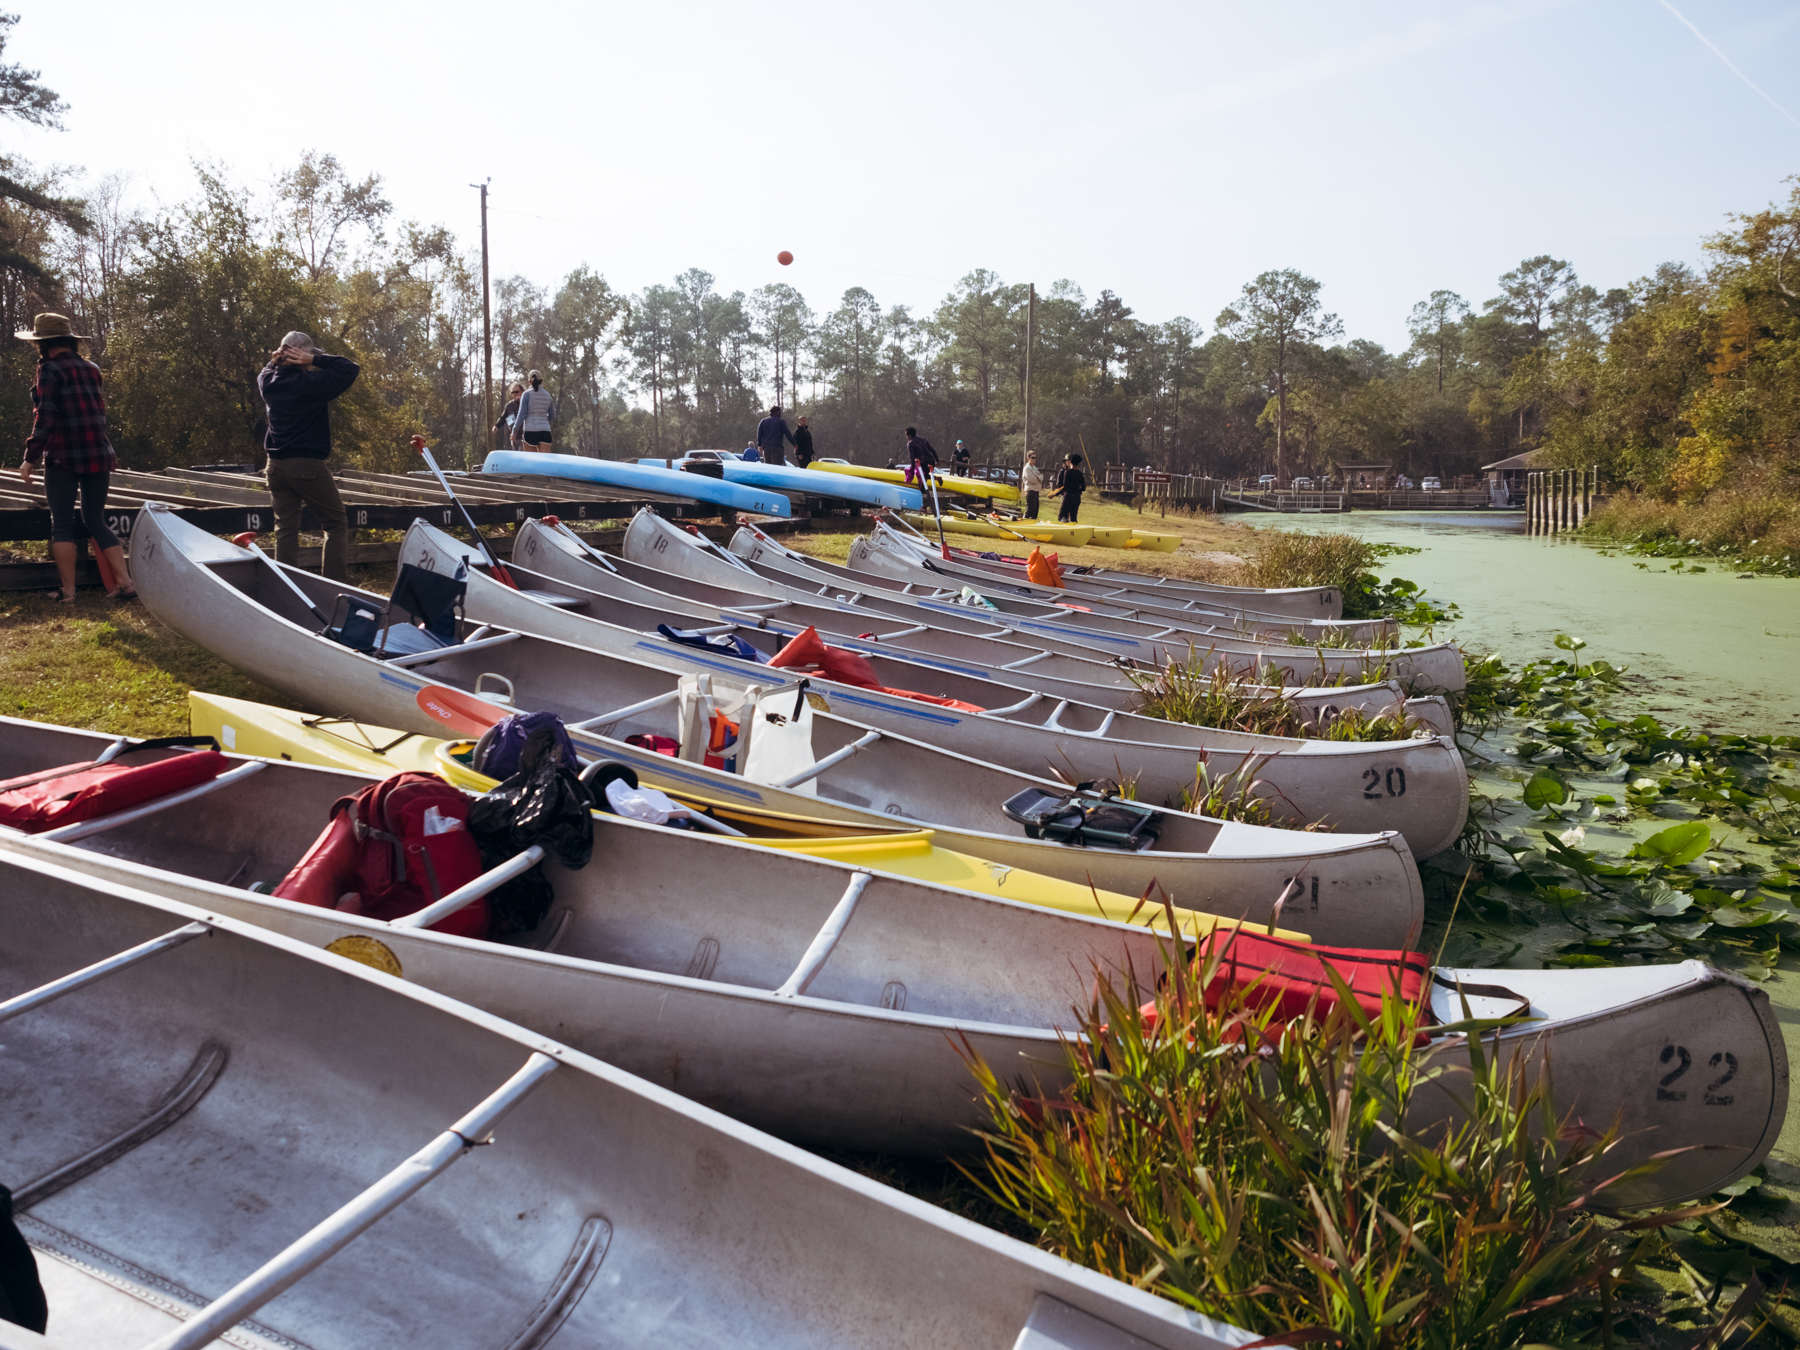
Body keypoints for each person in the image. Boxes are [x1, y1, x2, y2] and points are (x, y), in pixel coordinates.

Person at [16, 312, 135, 603]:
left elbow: (45, 416)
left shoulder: (49, 370)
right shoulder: (91, 367)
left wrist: (29, 457)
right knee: (96, 519)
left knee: (62, 523)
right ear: (69, 340)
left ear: (42, 344)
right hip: (99, 452)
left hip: (63, 456)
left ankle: (68, 592)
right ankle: (125, 582)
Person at [258, 330, 360, 583]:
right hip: (306, 465)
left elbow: (266, 368)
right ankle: (334, 587)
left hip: (274, 466)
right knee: (335, 524)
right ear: (302, 356)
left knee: (285, 529)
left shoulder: (267, 381)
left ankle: (287, 587)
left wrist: (277, 359)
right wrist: (314, 360)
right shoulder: (313, 384)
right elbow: (350, 368)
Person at [511, 371, 555, 452]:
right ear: (541, 381)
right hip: (545, 430)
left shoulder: (526, 394)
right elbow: (553, 415)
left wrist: (514, 430)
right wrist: (543, 420)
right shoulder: (548, 395)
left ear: (529, 381)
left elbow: (522, 414)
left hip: (530, 431)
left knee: (531, 461)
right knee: (545, 461)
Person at [1051, 452, 1087, 523]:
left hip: (1068, 497)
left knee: (1062, 517)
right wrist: (1077, 489)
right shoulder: (1080, 474)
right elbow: (1083, 488)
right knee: (1073, 518)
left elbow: (1065, 487)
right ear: (1078, 464)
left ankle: (1064, 532)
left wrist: (1055, 494)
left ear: (1070, 462)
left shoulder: (1068, 472)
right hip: (1077, 497)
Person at [493, 382, 524, 452]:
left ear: (521, 391)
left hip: (523, 437)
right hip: (514, 437)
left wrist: (521, 402)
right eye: (512, 392)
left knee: (521, 458)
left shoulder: (525, 403)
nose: (514, 394)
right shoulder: (509, 405)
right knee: (516, 459)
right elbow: (503, 418)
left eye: (516, 392)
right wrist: (496, 426)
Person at [1021, 450, 1043, 520]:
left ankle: (1033, 522)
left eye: (1035, 458)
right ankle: (1025, 521)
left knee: (1035, 510)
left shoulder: (1035, 468)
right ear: (1028, 458)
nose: (1034, 459)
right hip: (1030, 491)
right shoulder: (1027, 468)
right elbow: (1032, 479)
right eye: (1032, 457)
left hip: (1036, 490)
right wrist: (1037, 478)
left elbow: (1042, 477)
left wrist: (1037, 477)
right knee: (1030, 510)